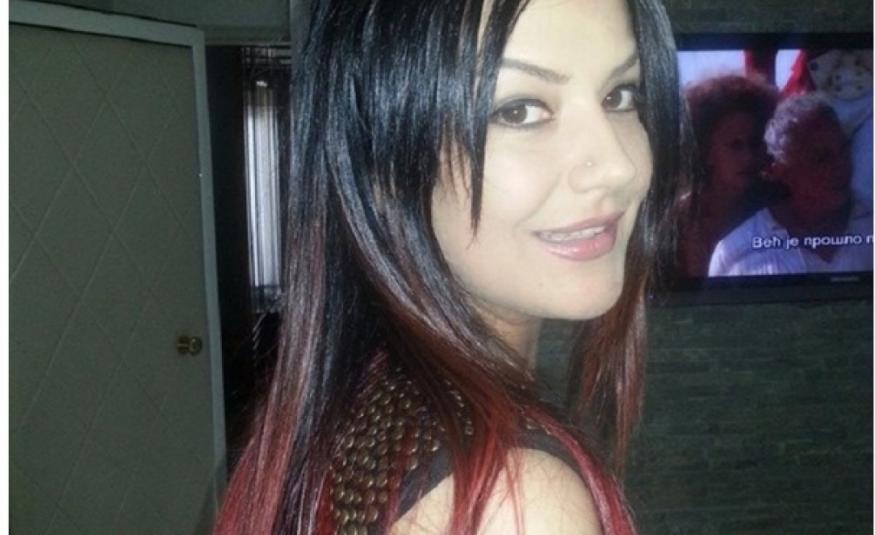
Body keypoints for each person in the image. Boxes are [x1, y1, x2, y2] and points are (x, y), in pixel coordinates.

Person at [215, 0, 684, 534]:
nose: (619, 167)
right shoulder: (510, 502)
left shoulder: (368, 403)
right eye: (519, 110)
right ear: (380, 161)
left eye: (621, 95)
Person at [709, 93, 873, 276]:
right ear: (781, 171)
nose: (841, 166)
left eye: (844, 149)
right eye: (821, 158)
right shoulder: (736, 253)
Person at [677, 75, 779, 278]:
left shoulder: (778, 202)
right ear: (706, 151)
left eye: (755, 143)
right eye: (735, 145)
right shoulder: (679, 219)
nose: (748, 156)